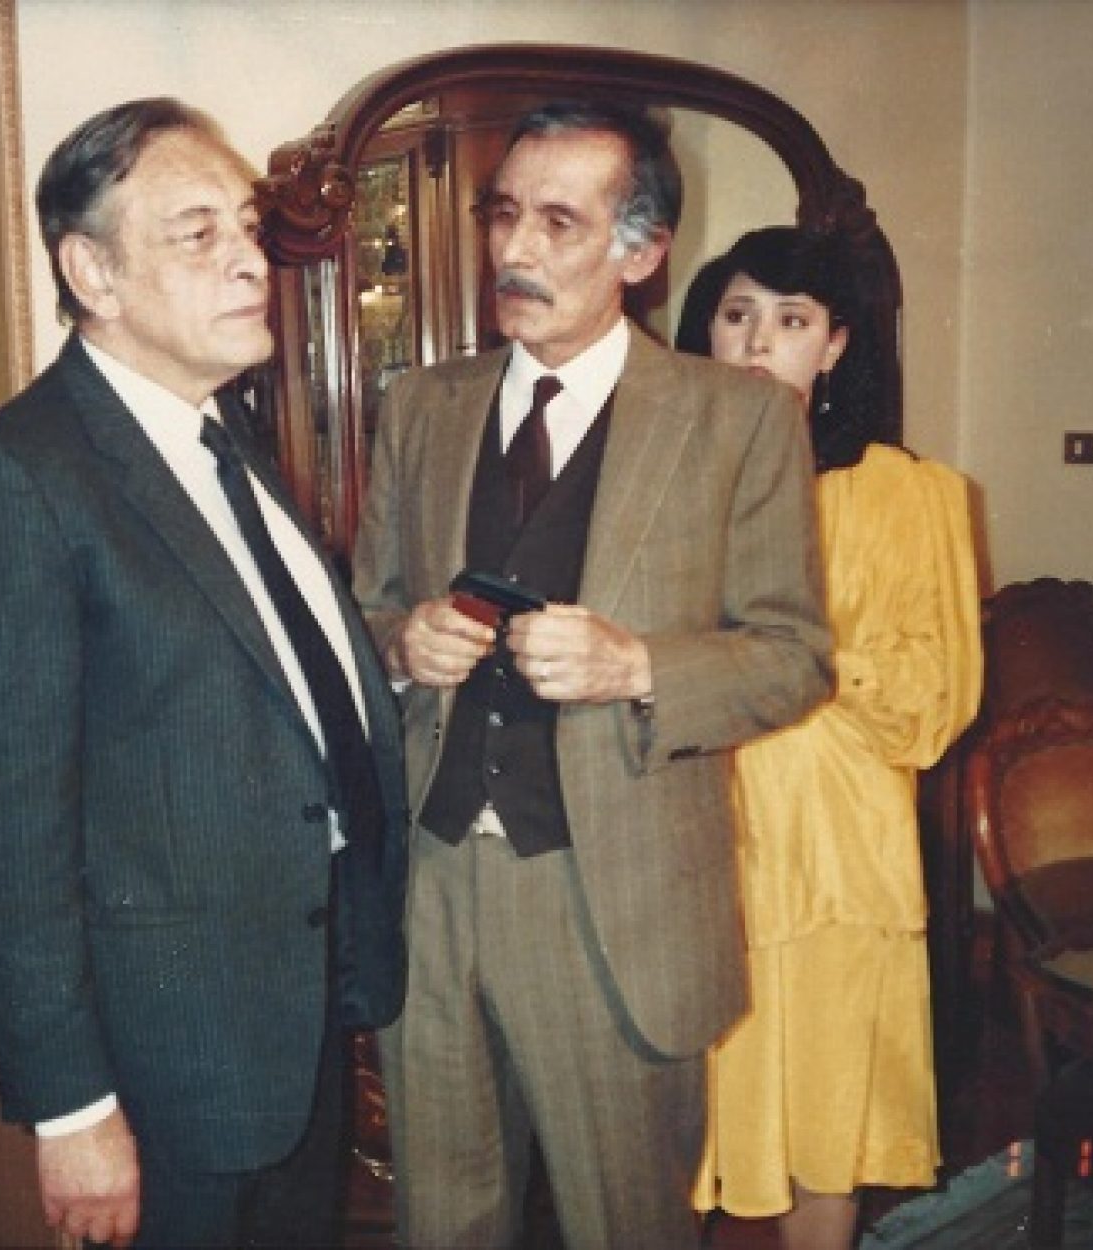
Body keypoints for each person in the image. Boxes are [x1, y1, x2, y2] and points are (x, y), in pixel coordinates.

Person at [0, 97, 408, 1249]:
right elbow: (2, 834)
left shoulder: (225, 441)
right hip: (164, 1058)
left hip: (292, 1002)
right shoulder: (16, 477)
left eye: (247, 228)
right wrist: (71, 1107)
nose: (249, 260)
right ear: (92, 271)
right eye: (198, 234)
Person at [350, 101, 833, 1249]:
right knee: (442, 1219)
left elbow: (795, 655)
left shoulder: (740, 420)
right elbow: (365, 610)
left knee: (628, 1222)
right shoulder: (421, 406)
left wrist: (638, 664)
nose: (515, 249)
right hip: (431, 880)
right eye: (504, 214)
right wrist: (401, 642)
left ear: (642, 250)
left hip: (610, 894)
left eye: (558, 222)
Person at [677, 226, 983, 1250]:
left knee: (830, 1122)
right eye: (737, 314)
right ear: (706, 332)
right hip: (692, 841)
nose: (760, 341)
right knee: (693, 1130)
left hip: (838, 848)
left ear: (837, 344)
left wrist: (796, 654)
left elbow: (933, 703)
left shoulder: (906, 493)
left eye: (792, 319)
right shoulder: (657, 485)